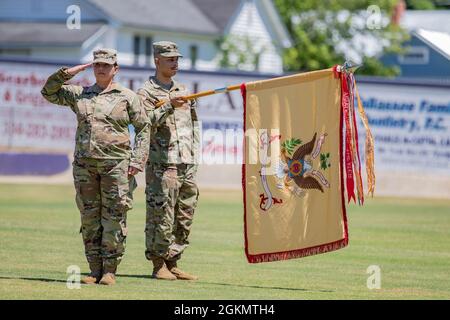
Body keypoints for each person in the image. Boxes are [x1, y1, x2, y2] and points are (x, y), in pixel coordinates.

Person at [41, 49, 150, 285]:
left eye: (106, 65)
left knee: (113, 218)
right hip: (85, 167)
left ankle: (110, 270)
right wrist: (67, 73)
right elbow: (48, 91)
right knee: (89, 218)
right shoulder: (80, 94)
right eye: (97, 65)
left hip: (116, 167)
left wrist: (137, 160)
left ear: (116, 69)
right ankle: (93, 269)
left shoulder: (127, 97)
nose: (101, 69)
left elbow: (143, 128)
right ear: (92, 67)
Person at [137, 41, 200, 280]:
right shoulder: (147, 92)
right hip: (163, 165)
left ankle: (173, 261)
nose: (175, 63)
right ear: (157, 60)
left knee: (185, 215)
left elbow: (192, 125)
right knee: (161, 215)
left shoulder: (183, 89)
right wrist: (169, 107)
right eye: (170, 59)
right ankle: (158, 264)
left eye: (177, 59)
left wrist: (194, 156)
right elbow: (144, 123)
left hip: (186, 162)